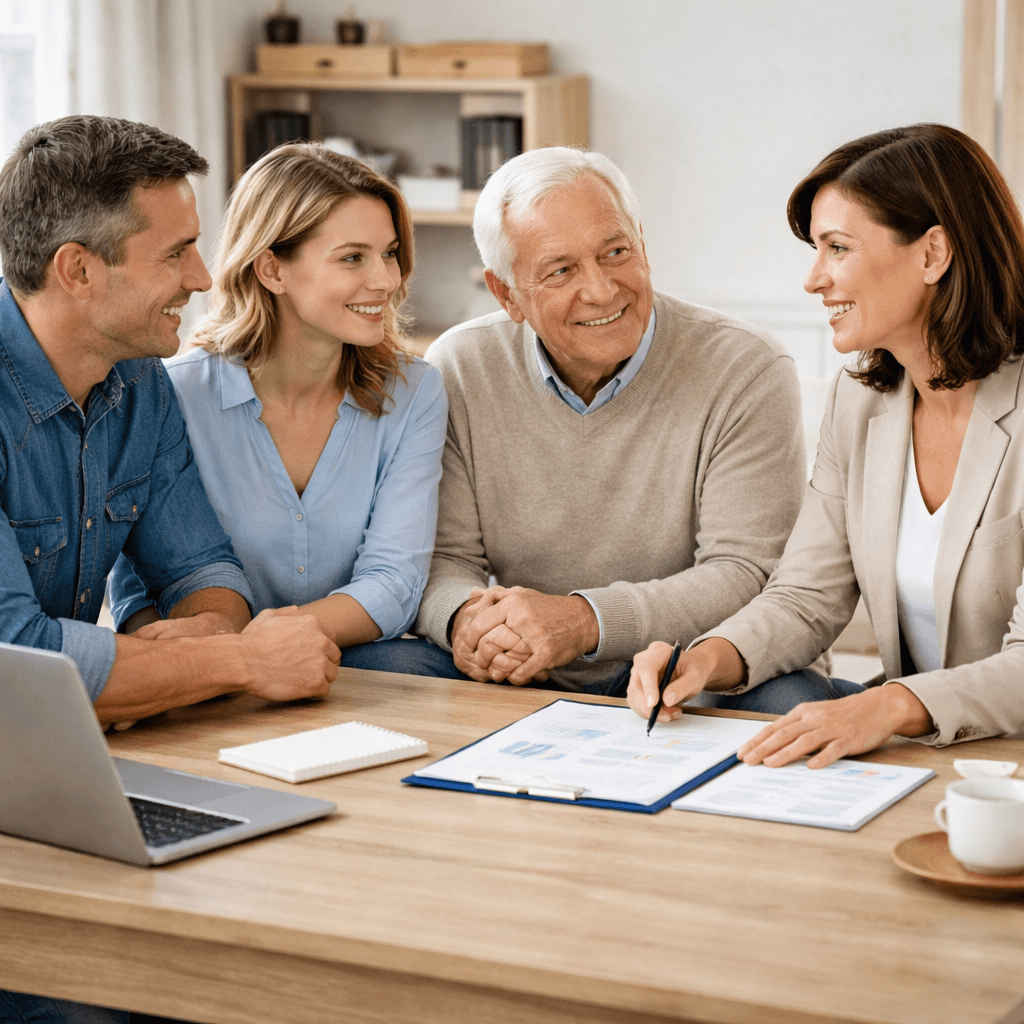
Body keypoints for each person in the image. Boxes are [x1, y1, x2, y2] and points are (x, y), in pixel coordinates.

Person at [0, 117, 338, 1024]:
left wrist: (191, 643)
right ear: (78, 270)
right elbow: (16, 659)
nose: (201, 277)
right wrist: (233, 663)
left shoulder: (137, 380)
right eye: (178, 252)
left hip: (49, 776)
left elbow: (203, 570)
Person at [629, 123, 1024, 767]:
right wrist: (704, 657)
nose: (814, 279)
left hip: (1001, 750)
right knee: (755, 696)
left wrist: (889, 704)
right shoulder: (862, 401)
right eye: (816, 250)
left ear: (933, 254)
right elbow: (807, 596)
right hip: (924, 742)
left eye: (838, 248)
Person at [399, 146, 809, 695]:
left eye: (616, 252)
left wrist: (583, 621)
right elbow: (444, 559)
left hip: (690, 667)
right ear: (506, 293)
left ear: (643, 243)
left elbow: (746, 573)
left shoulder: (747, 367)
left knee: (790, 700)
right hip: (527, 670)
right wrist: (467, 622)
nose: (600, 289)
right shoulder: (460, 366)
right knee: (376, 668)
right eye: (561, 270)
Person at [108, 143, 447, 658]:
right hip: (205, 669)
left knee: (411, 662)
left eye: (390, 252)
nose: (386, 280)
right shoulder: (171, 393)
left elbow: (393, 585)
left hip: (350, 664)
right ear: (272, 270)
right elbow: (138, 588)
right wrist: (228, 660)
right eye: (352, 257)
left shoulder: (415, 391)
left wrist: (249, 647)